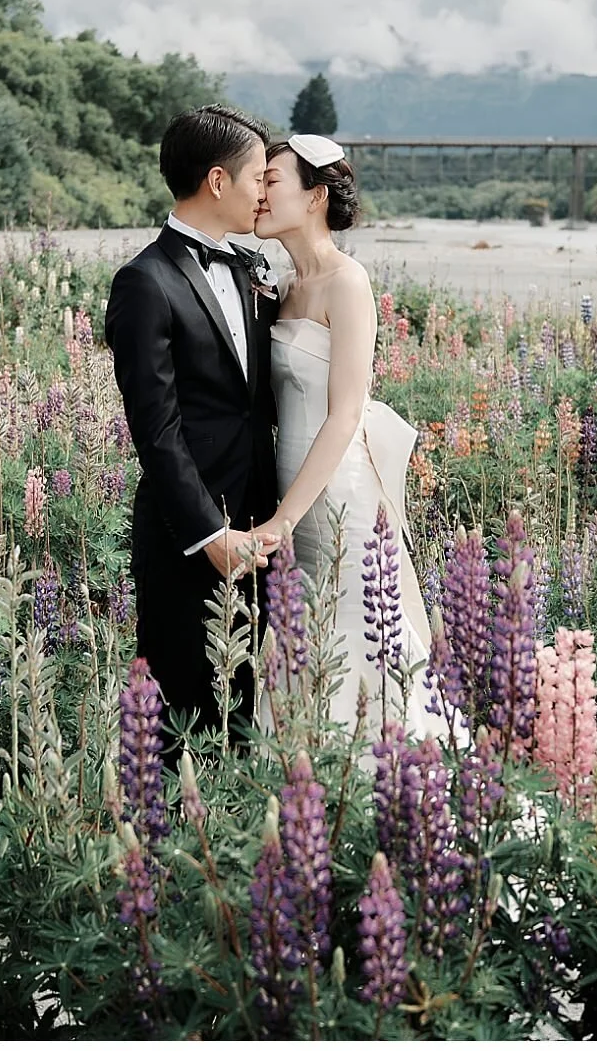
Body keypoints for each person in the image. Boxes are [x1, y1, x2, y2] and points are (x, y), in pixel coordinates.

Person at [243, 133, 452, 744]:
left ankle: (388, 772)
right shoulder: (280, 288)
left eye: (271, 181)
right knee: (303, 638)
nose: (259, 193)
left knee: (358, 635)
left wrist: (283, 518)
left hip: (336, 490)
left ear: (314, 196)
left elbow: (344, 415)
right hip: (288, 485)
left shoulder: (347, 281)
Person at [103, 104, 282, 763]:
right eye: (259, 176)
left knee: (250, 710)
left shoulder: (250, 269)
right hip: (188, 541)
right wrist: (211, 535)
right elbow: (156, 430)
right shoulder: (145, 282)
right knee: (186, 720)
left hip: (265, 532)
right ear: (217, 181)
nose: (265, 190)